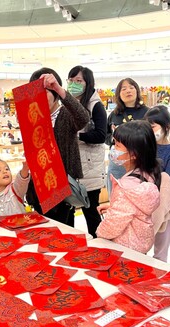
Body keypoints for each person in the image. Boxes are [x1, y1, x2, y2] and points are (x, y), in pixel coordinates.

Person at [25, 67, 89, 225]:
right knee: (41, 232)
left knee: (63, 234)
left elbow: (83, 118)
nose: (40, 97)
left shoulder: (65, 114)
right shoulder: (32, 116)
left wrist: (59, 89)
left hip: (61, 189)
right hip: (38, 188)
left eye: (45, 91)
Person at [96, 120, 161, 254]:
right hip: (139, 245)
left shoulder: (127, 188)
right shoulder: (146, 175)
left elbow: (114, 224)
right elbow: (133, 208)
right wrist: (113, 206)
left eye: (118, 145)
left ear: (133, 154)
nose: (113, 148)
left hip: (124, 247)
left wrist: (99, 233)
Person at [65, 65, 107, 238]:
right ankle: (72, 244)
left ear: (87, 83)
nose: (74, 84)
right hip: (71, 165)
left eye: (79, 81)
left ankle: (99, 247)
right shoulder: (67, 103)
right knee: (67, 211)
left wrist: (76, 137)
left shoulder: (95, 105)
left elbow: (101, 135)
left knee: (91, 211)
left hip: (89, 167)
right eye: (71, 80)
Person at [144, 106, 170, 262]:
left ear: (166, 126)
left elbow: (168, 182)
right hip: (143, 203)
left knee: (161, 251)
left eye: (153, 126)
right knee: (140, 247)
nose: (150, 130)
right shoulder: (145, 146)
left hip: (163, 204)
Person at [105, 78, 149, 192]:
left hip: (141, 162)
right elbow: (105, 136)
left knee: (139, 197)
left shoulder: (147, 113)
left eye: (131, 87)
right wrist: (114, 139)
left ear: (137, 90)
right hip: (118, 163)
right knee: (116, 197)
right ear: (119, 94)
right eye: (123, 89)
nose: (128, 91)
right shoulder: (114, 115)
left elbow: (151, 137)